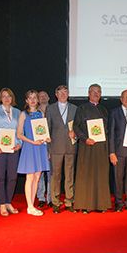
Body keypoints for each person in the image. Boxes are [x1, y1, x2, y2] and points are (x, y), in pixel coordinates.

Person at [73, 84, 111, 213]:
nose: (96, 94)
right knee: (86, 175)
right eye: (94, 92)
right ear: (88, 93)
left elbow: (107, 130)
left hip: (101, 147)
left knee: (100, 175)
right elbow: (76, 127)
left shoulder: (104, 110)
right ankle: (85, 205)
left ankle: (101, 205)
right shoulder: (81, 108)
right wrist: (84, 138)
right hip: (87, 147)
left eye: (99, 92)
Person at [0, 88, 22, 216]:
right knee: (0, 177)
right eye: (4, 96)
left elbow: (20, 131)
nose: (6, 98)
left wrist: (20, 144)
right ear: (0, 98)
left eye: (9, 96)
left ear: (12, 98)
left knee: (13, 177)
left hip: (13, 148)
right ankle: (2, 203)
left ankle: (8, 201)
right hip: (0, 149)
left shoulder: (17, 112)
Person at [17, 90, 50, 216]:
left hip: (40, 148)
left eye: (34, 98)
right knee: (30, 177)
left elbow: (43, 131)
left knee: (37, 177)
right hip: (30, 148)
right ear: (26, 100)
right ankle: (29, 206)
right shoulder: (23, 114)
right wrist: (32, 141)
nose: (32, 100)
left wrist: (47, 139)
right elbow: (19, 134)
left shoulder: (41, 113)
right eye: (30, 98)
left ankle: (32, 205)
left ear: (37, 100)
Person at [47, 85, 78, 214]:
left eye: (65, 92)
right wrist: (48, 149)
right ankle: (55, 202)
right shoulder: (50, 108)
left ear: (68, 94)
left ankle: (69, 201)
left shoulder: (75, 109)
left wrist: (75, 133)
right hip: (55, 147)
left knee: (69, 176)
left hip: (71, 146)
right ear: (56, 94)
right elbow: (47, 129)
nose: (63, 94)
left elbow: (78, 126)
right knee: (55, 176)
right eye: (60, 92)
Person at [37, 90, 52, 208]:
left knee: (51, 173)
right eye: (40, 96)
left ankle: (51, 198)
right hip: (37, 146)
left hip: (51, 146)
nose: (42, 98)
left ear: (49, 98)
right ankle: (41, 197)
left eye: (44, 96)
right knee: (39, 174)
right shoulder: (34, 112)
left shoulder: (53, 111)